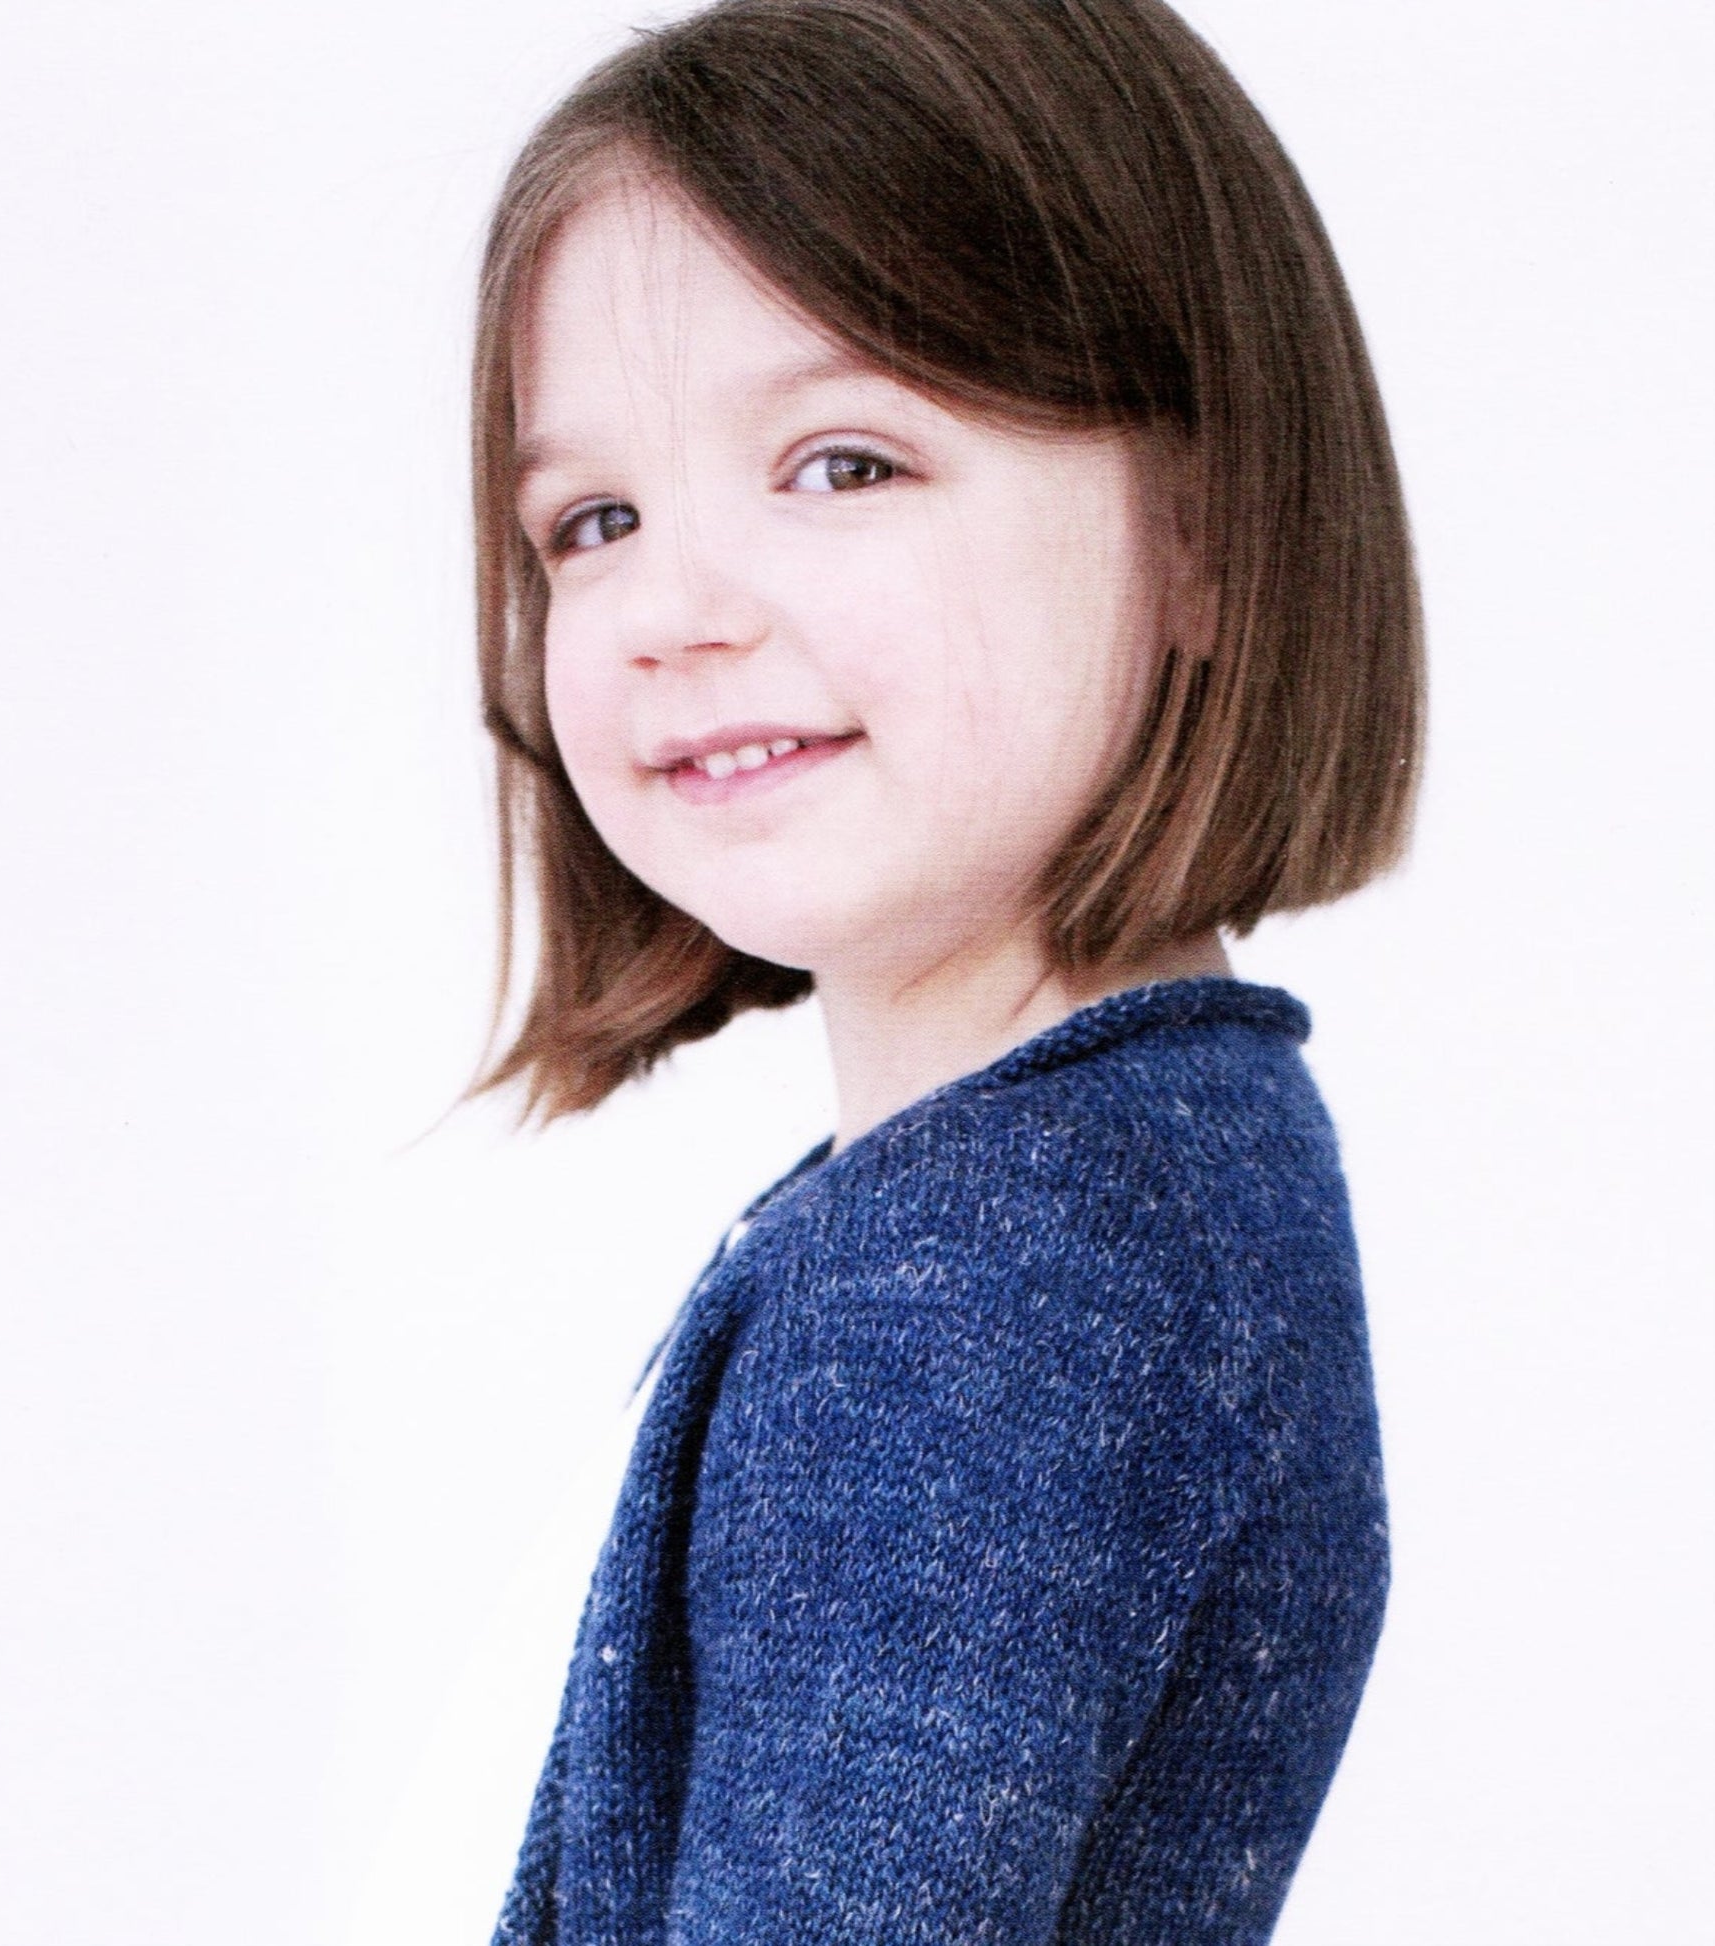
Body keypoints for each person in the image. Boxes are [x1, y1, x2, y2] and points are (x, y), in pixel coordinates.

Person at [462, 0, 1423, 1936]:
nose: (672, 607)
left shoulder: (980, 1274)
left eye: (839, 463)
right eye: (596, 519)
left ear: (1208, 528)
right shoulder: (1189, 1145)